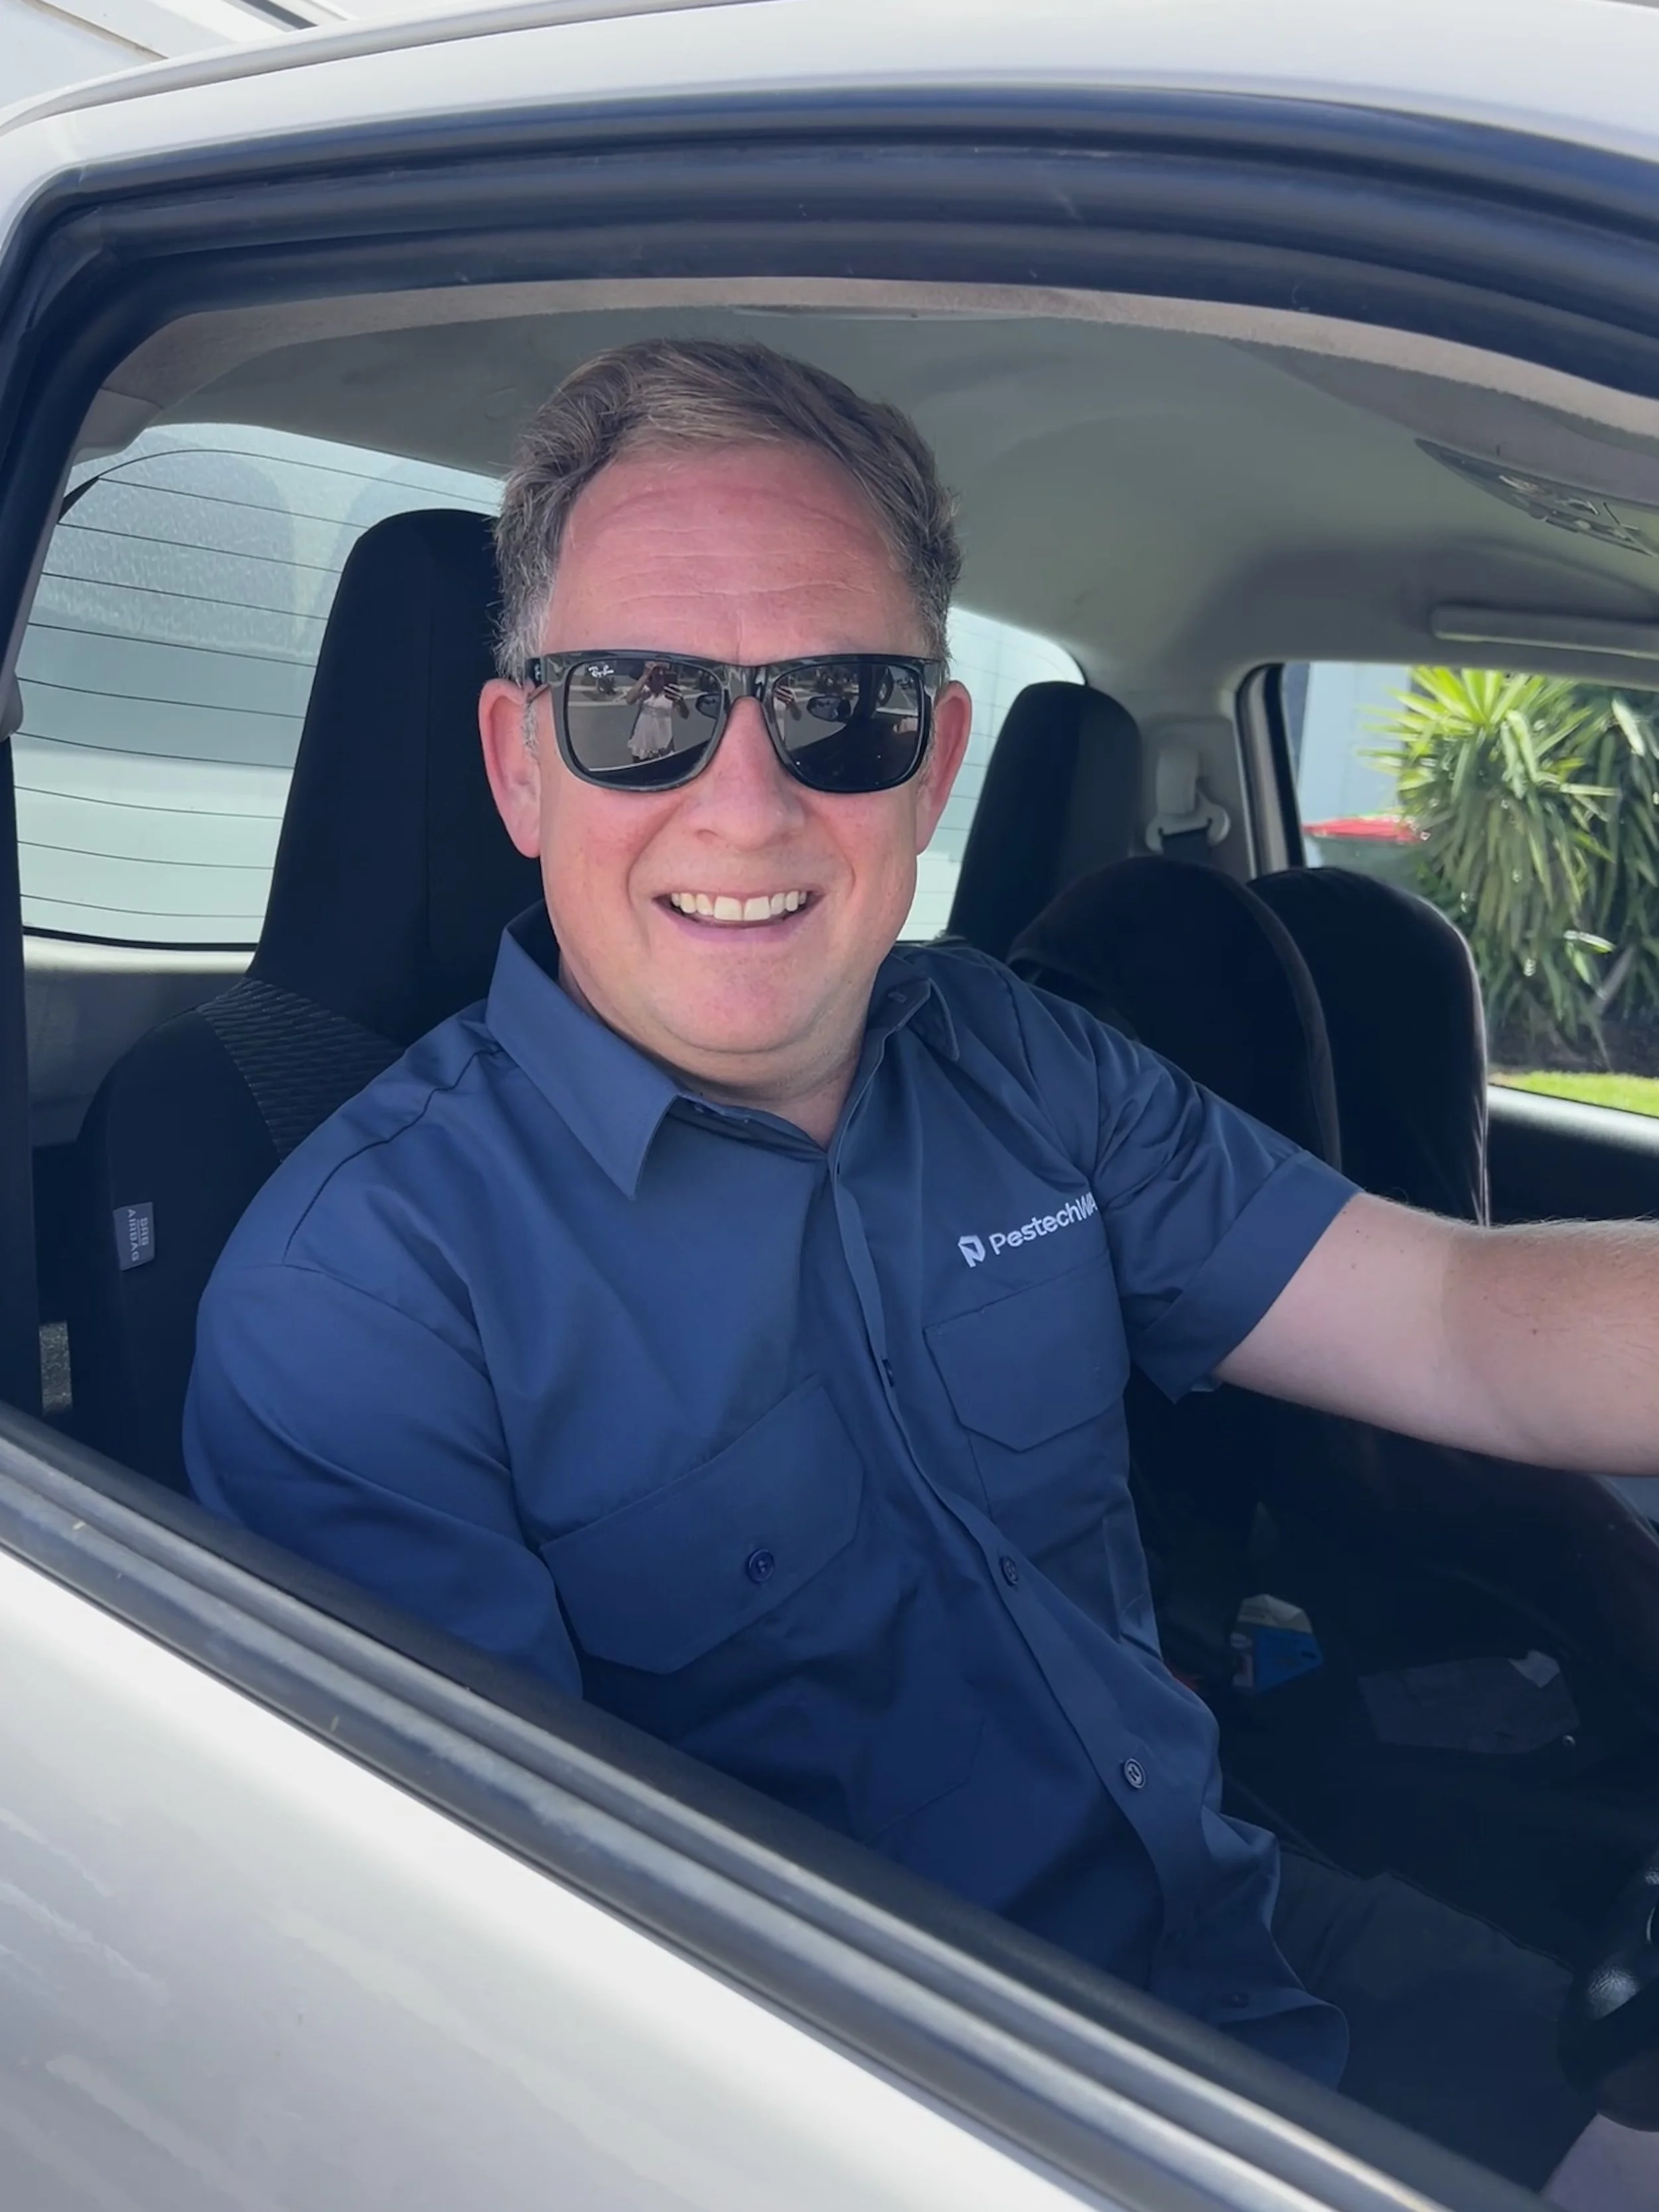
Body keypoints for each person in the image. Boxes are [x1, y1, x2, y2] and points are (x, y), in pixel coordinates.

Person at [186, 338, 1659, 2203]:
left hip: (1250, 1943)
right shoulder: (366, 1300)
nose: (743, 799)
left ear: (935, 761)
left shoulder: (1015, 1056)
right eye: (638, 702)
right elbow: (533, 2000)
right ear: (518, 761)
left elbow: (1455, 1321)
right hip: (919, 2110)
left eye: (841, 707)